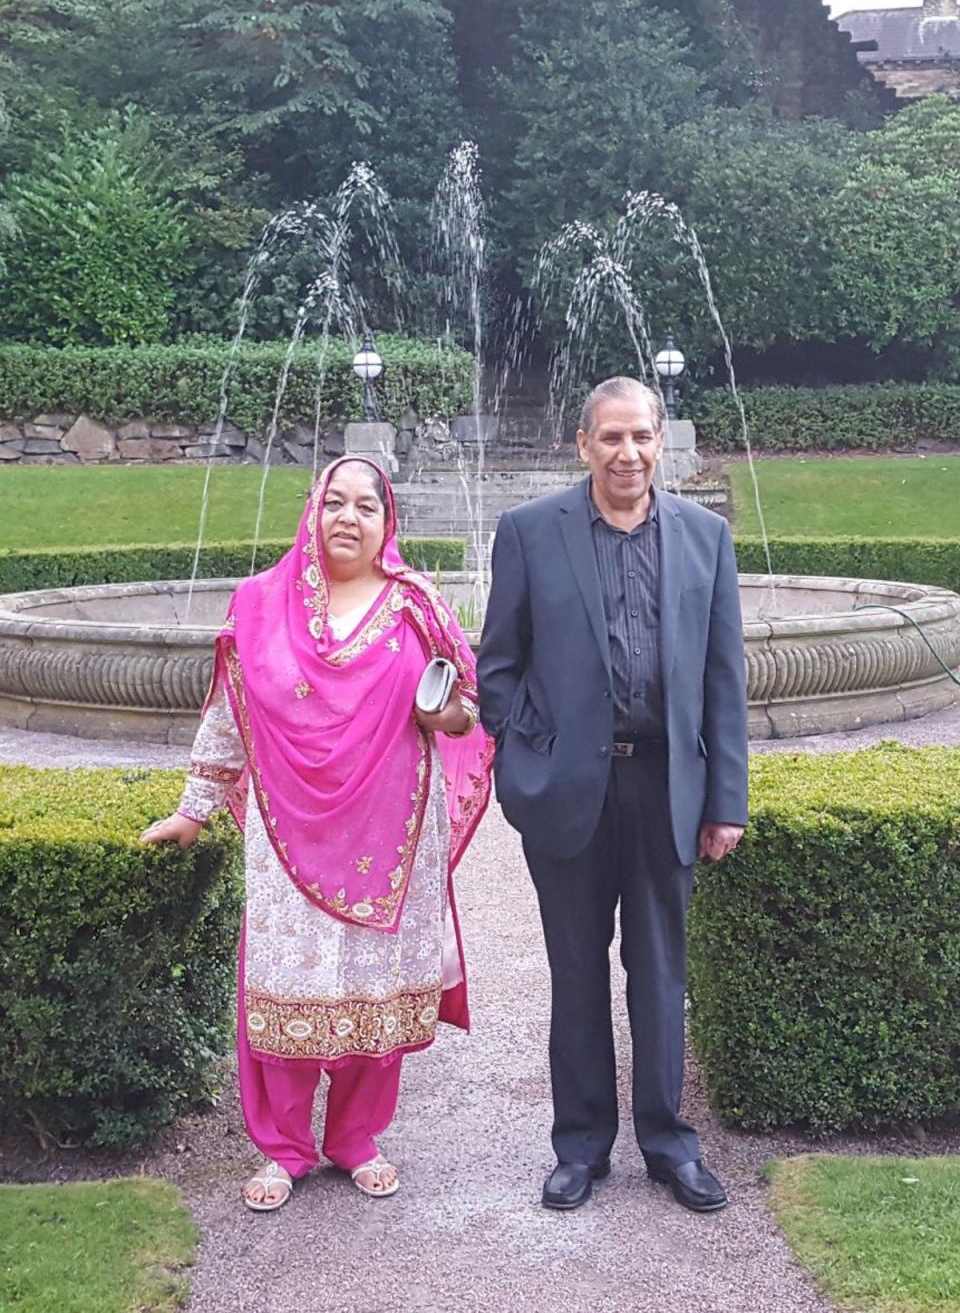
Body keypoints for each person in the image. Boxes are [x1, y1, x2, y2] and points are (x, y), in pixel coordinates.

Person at [142, 457, 492, 1211]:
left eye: (367, 506)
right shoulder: (262, 604)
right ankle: (284, 1147)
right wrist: (192, 810)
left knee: (373, 980)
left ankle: (356, 1139)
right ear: (314, 509)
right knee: (289, 978)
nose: (348, 517)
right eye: (335, 501)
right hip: (286, 824)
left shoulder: (414, 604)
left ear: (386, 523)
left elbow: (465, 710)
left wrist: (446, 716)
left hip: (394, 830)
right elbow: (229, 716)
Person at [477, 378, 748, 1214]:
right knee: (575, 972)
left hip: (668, 784)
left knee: (661, 974)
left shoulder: (706, 537)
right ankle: (581, 1148)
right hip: (568, 792)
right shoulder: (529, 533)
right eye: (611, 438)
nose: (627, 453)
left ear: (659, 441)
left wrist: (726, 800)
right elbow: (496, 668)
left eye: (642, 437)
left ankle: (669, 1146)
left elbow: (723, 678)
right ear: (583, 444)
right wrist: (537, 748)